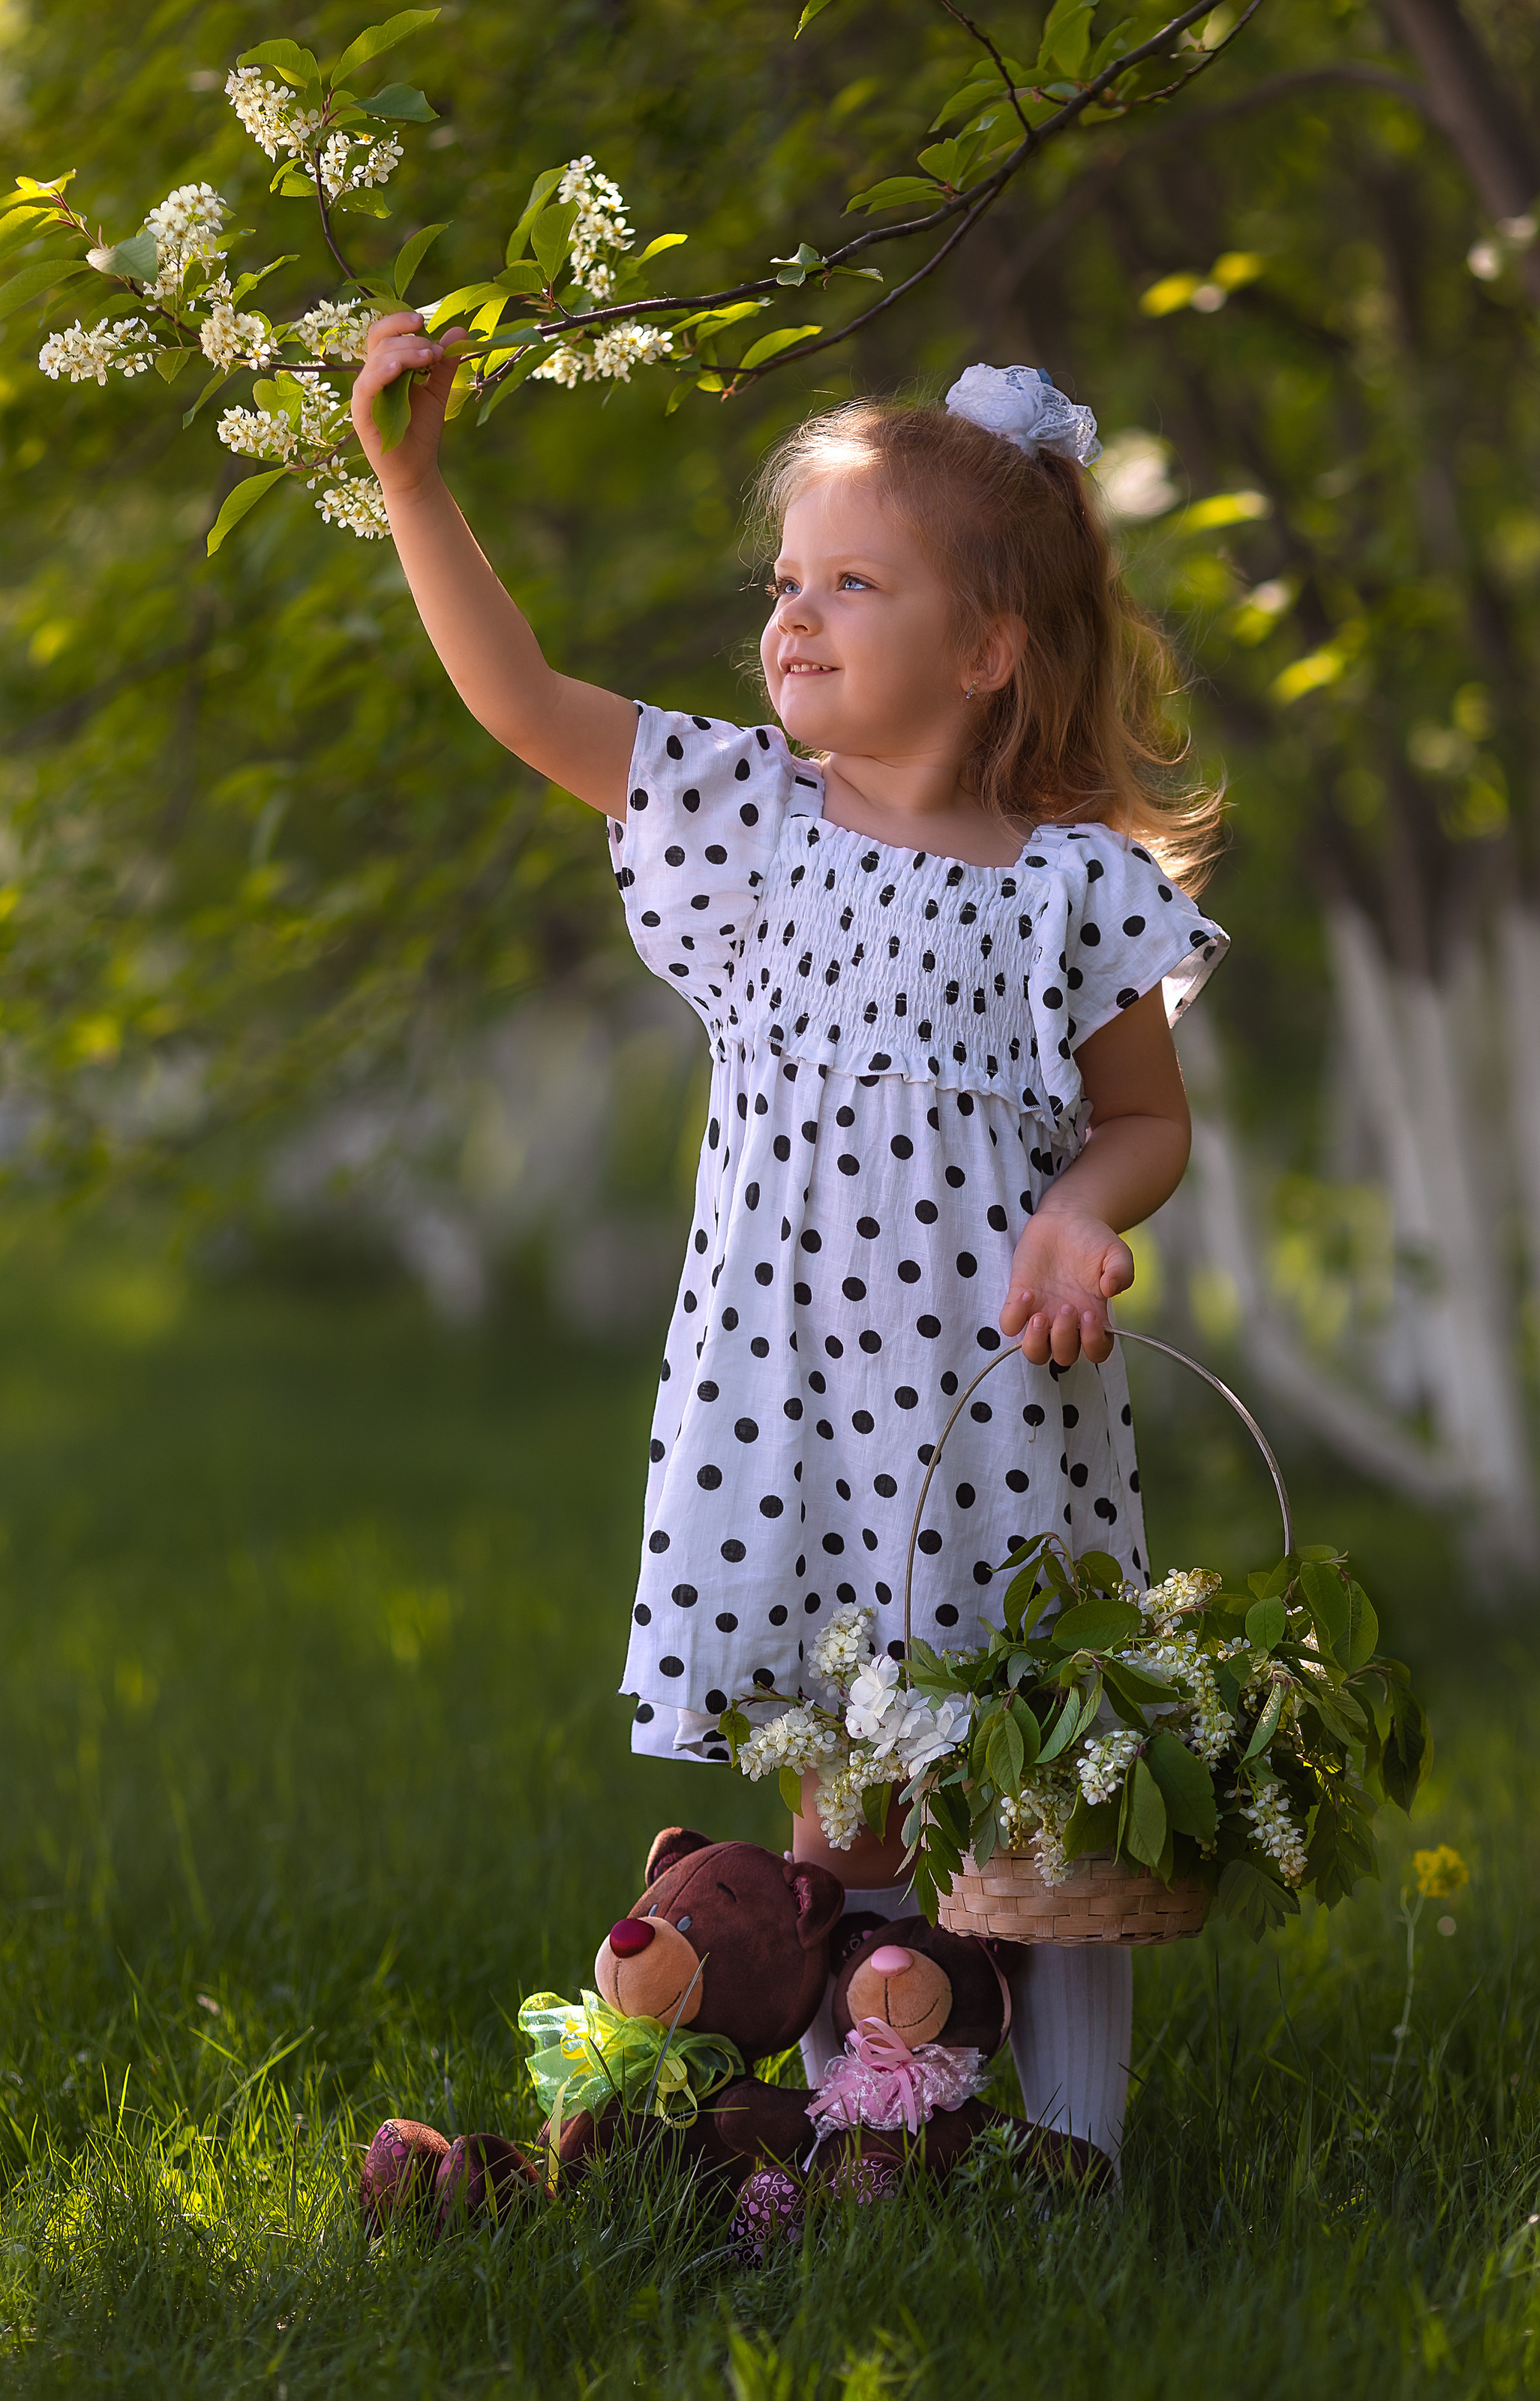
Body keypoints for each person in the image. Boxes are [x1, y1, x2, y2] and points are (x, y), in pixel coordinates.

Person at [350, 325, 1229, 2162]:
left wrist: (1080, 1215)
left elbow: (1144, 1121)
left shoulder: (1068, 885)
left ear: (985, 648)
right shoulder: (747, 819)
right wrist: (415, 486)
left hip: (998, 1416)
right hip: (800, 1407)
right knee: (845, 1783)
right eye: (785, 583)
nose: (796, 616)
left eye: (853, 582)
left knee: (1035, 1777)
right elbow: (519, 699)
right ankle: (841, 2129)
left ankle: (1074, 2157)